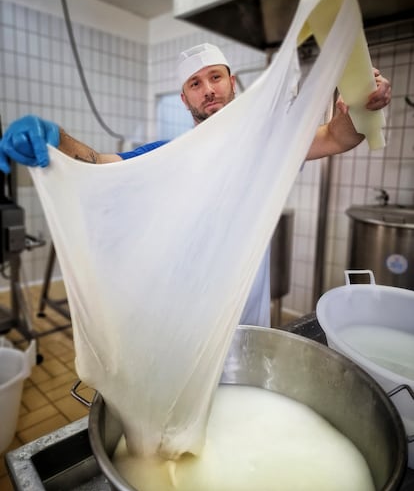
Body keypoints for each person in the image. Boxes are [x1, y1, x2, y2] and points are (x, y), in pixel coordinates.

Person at [0, 43, 391, 326]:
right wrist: (56, 139)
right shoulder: (169, 154)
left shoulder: (269, 143)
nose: (208, 89)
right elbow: (100, 164)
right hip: (183, 317)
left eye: (215, 77)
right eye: (194, 84)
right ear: (185, 99)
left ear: (231, 82)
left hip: (245, 313)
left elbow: (339, 137)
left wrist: (357, 105)